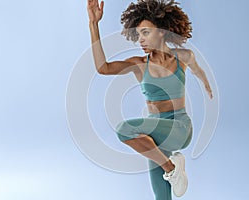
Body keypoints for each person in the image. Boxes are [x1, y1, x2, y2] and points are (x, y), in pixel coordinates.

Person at [87, 0, 213, 199]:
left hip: (179, 128)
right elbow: (103, 68)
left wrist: (206, 83)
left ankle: (171, 167)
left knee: (123, 129)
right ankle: (172, 168)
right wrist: (93, 24)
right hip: (155, 138)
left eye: (145, 32)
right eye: (138, 35)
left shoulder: (183, 57)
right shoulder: (138, 64)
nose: (141, 40)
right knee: (162, 196)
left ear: (162, 31)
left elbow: (199, 70)